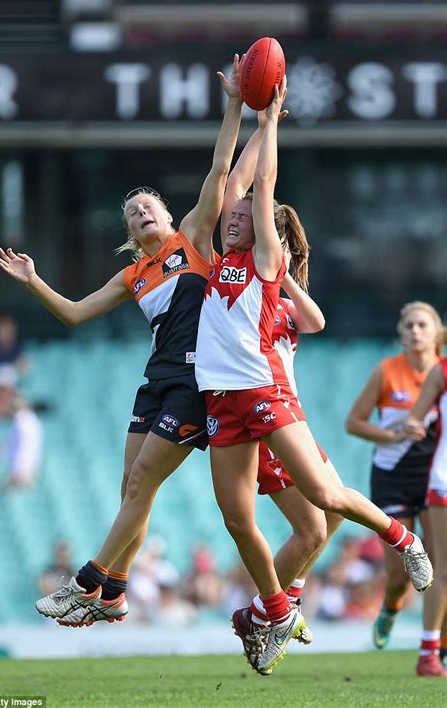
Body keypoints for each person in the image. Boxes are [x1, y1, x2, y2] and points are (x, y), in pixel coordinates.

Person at [0, 55, 244, 627]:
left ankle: (86, 584)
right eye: (131, 214)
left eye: (147, 206)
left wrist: (234, 104)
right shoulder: (133, 276)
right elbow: (76, 315)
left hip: (193, 380)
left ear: (166, 214)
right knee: (132, 489)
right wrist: (35, 281)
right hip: (155, 381)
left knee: (142, 485)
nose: (139, 213)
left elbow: (221, 170)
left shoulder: (195, 241)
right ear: (130, 233)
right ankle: (116, 595)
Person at [194, 78, 433, 676]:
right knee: (239, 520)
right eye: (232, 214)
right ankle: (270, 610)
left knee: (325, 503)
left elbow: (263, 184)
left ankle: (402, 542)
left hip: (267, 396)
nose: (233, 217)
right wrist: (239, 111)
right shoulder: (214, 259)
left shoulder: (266, 266)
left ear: (263, 230)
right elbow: (232, 177)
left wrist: (270, 120)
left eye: (244, 217)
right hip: (220, 401)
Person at [214, 111, 344, 655]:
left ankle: (279, 601)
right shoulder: (241, 272)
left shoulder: (279, 296)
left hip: (290, 410)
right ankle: (266, 614)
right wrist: (262, 123)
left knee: (332, 512)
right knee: (314, 528)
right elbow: (241, 181)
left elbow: (314, 322)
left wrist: (285, 272)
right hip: (264, 415)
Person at [345, 301, 443, 650]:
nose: (415, 331)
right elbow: (353, 422)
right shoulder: (387, 371)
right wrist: (393, 434)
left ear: (437, 333)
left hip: (434, 476)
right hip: (392, 474)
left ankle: (435, 647)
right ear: (401, 335)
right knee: (400, 572)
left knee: (439, 566)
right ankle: (390, 606)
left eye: (422, 325)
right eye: (409, 326)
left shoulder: (443, 372)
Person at [404, 351, 447, 678]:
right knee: (444, 569)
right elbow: (415, 416)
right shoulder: (441, 371)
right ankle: (428, 653)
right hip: (444, 480)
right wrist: (412, 425)